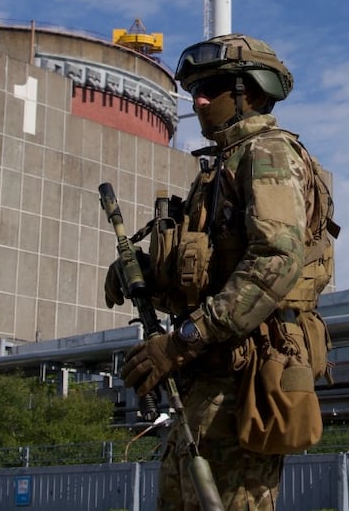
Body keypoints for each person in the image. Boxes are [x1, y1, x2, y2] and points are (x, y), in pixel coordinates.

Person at [106, 33, 335, 511]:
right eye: (194, 89)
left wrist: (183, 339)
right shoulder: (221, 167)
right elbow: (211, 272)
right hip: (208, 381)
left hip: (245, 381)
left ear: (248, 91)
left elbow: (276, 259)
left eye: (211, 87)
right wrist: (145, 273)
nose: (199, 99)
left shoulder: (267, 154)